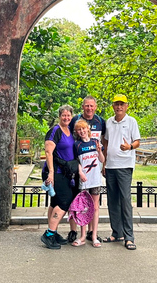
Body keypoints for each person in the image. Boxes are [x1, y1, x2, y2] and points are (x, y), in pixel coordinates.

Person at [41, 105, 86, 249]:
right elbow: (48, 152)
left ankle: (52, 233)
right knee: (64, 202)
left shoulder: (69, 131)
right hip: (56, 172)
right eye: (63, 115)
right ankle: (49, 234)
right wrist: (52, 173)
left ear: (71, 116)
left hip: (66, 173)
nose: (66, 118)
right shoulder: (55, 131)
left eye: (68, 115)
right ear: (59, 116)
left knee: (55, 203)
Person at [102, 94, 140, 250]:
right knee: (112, 200)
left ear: (127, 106)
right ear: (113, 106)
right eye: (116, 104)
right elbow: (105, 141)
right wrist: (104, 161)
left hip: (124, 166)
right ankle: (116, 232)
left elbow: (137, 141)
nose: (119, 107)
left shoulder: (131, 121)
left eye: (122, 104)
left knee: (125, 200)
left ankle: (129, 237)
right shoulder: (108, 122)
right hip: (110, 165)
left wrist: (129, 147)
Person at [68, 95, 106, 243]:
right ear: (83, 107)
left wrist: (103, 159)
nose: (89, 108)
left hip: (95, 172)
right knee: (82, 203)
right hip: (82, 171)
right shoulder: (75, 120)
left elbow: (104, 143)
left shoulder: (100, 121)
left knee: (95, 205)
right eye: (86, 106)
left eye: (92, 106)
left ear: (95, 107)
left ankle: (92, 234)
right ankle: (76, 232)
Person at [72, 119, 104, 248]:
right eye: (79, 130)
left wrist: (99, 151)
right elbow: (76, 162)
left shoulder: (95, 142)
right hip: (84, 180)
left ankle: (94, 236)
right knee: (83, 208)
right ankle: (83, 235)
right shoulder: (77, 145)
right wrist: (80, 173)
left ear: (88, 129)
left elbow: (102, 159)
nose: (82, 131)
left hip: (95, 179)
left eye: (83, 128)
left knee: (95, 207)